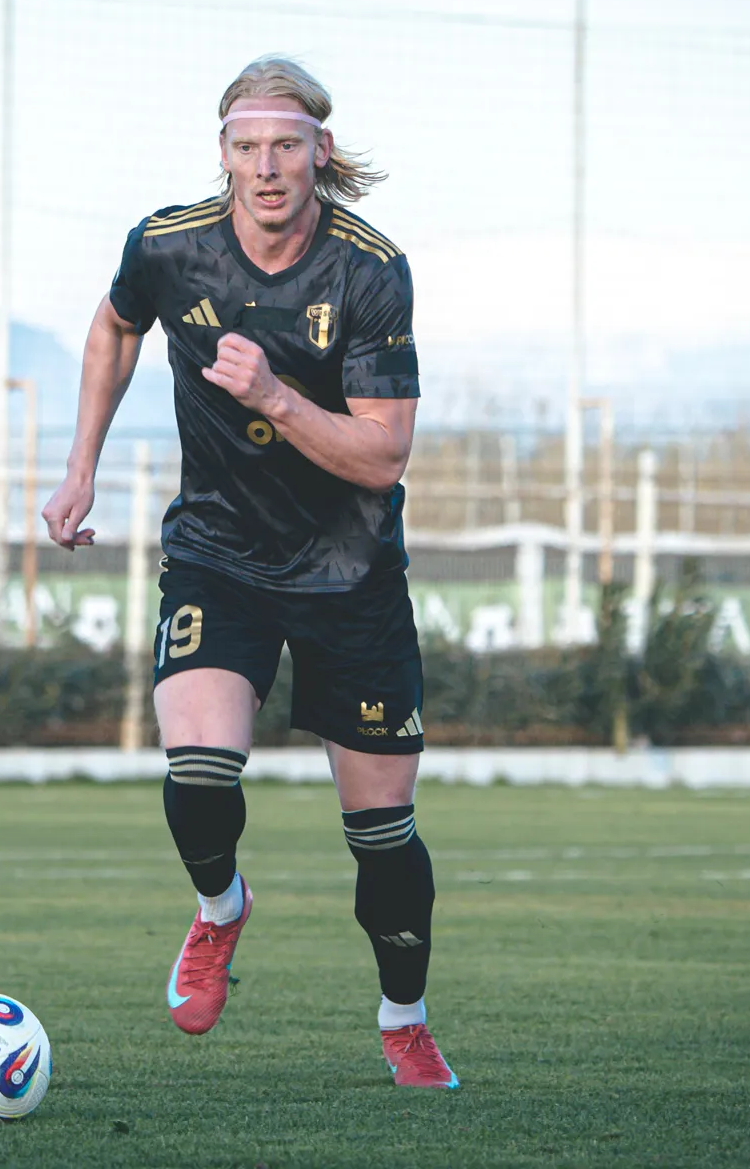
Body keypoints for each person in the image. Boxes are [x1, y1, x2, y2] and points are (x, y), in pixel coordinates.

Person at [41, 56, 456, 1088]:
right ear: (222, 154)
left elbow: (384, 456)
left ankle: (403, 1020)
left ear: (320, 151)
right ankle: (220, 907)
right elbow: (114, 325)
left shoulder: (370, 270)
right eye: (246, 147)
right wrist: (81, 466)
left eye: (285, 146)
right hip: (218, 555)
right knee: (197, 770)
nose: (266, 167)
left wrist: (272, 394)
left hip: (351, 573)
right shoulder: (167, 245)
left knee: (382, 834)